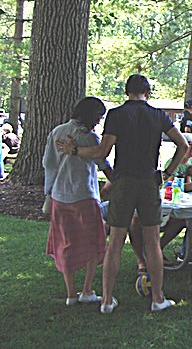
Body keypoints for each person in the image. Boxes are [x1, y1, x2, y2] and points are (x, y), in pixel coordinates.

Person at [57, 74, 189, 313]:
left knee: (116, 242)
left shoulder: (116, 115)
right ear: (147, 93)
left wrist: (73, 150)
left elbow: (103, 150)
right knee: (153, 243)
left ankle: (107, 300)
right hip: (150, 180)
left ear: (127, 92)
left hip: (123, 180)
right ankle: (157, 298)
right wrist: (167, 173)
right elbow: (184, 145)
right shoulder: (158, 115)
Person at [44, 97, 112, 307]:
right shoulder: (89, 138)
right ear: (91, 116)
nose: (99, 122)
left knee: (66, 242)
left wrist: (48, 191)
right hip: (84, 195)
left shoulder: (57, 132)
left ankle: (71, 293)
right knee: (93, 241)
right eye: (98, 117)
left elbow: (49, 164)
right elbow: (103, 163)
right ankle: (87, 289)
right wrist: (118, 180)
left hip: (60, 196)